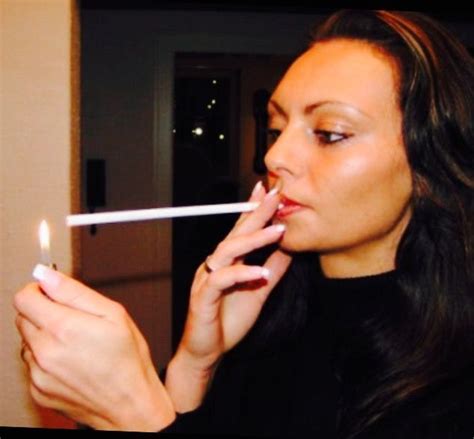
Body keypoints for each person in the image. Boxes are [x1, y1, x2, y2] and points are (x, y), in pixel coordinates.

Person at [14, 9, 474, 438]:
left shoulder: (453, 388)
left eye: (329, 133)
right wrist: (196, 363)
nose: (275, 157)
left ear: (430, 164)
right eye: (276, 129)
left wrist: (132, 415)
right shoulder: (266, 313)